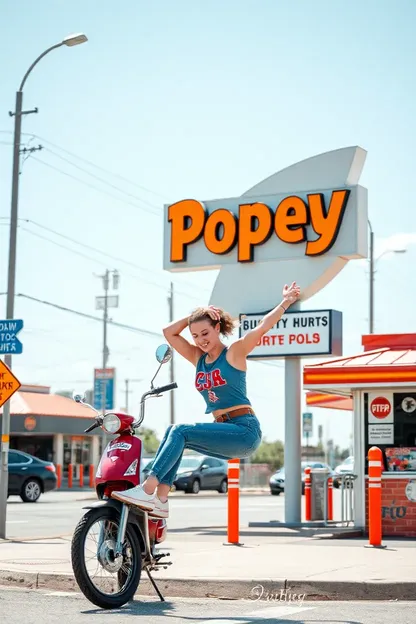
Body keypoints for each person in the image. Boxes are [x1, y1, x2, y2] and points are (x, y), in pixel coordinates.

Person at [112, 281, 301, 517]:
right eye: (195, 335)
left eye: (206, 332)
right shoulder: (197, 358)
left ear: (217, 328)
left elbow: (262, 327)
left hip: (244, 430)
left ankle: (147, 488)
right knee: (175, 432)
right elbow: (168, 332)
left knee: (180, 430)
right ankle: (160, 498)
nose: (201, 339)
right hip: (222, 429)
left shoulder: (234, 352)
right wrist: (195, 314)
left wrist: (286, 302)